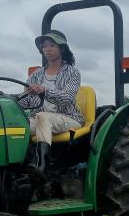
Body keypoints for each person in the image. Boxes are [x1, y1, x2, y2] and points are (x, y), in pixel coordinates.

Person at [18, 30, 83, 176]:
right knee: (15, 124)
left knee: (43, 116)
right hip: (40, 119)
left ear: (62, 48)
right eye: (44, 46)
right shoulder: (36, 74)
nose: (47, 49)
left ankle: (42, 168)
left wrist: (44, 90)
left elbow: (67, 98)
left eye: (52, 45)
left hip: (68, 118)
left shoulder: (72, 73)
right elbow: (26, 100)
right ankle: (18, 167)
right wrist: (5, 97)